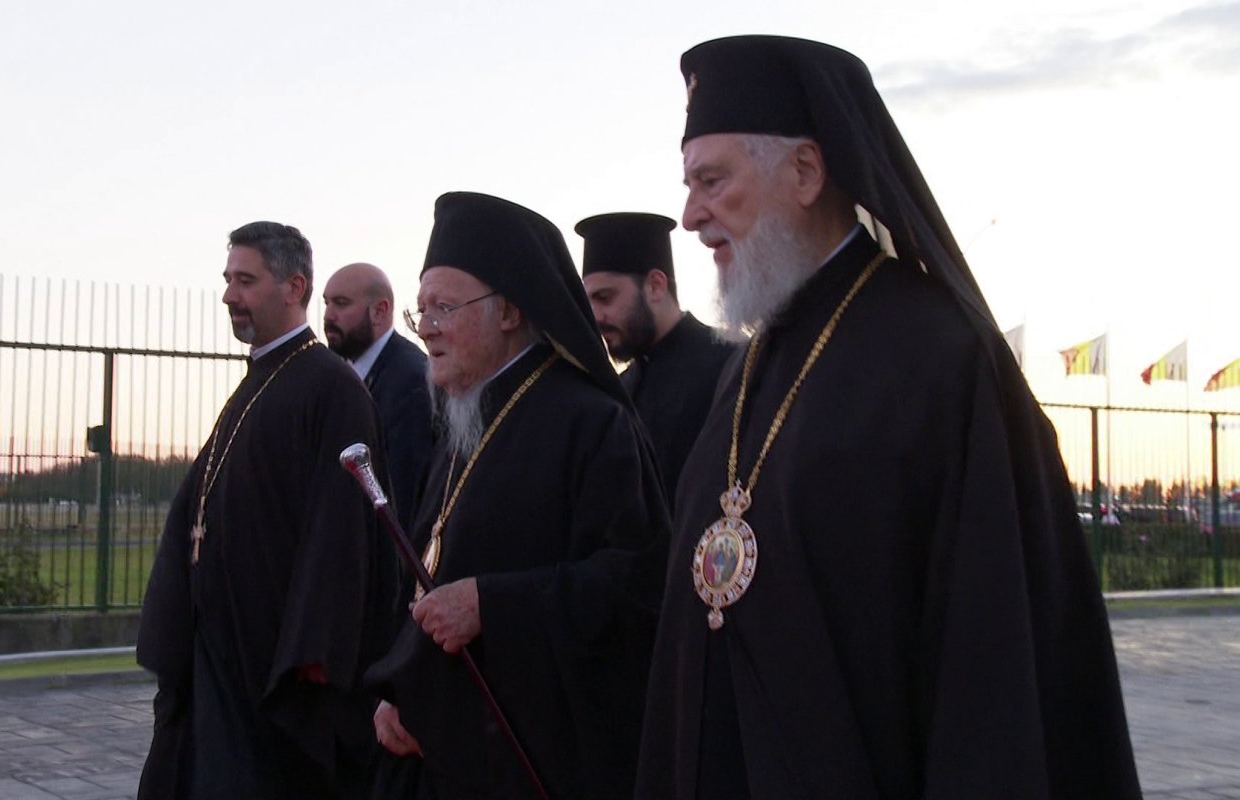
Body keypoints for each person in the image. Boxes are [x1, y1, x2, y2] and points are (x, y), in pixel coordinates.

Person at [636, 36, 1141, 799]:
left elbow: (989, 664)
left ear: (806, 171)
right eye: (688, 184)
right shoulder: (745, 367)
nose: (690, 215)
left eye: (711, 181)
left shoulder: (941, 358)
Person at [366, 191, 670, 799]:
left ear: (509, 311)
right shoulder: (461, 421)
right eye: (420, 309)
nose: (425, 327)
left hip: (529, 765)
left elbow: (639, 583)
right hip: (434, 758)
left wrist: (493, 605)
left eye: (444, 307)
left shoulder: (590, 423)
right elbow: (428, 568)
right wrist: (395, 689)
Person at [136, 221, 395, 799]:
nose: (230, 295)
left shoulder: (332, 389)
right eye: (228, 279)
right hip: (220, 655)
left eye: (246, 280)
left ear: (294, 286)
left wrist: (312, 657)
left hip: (277, 673)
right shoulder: (258, 383)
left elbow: (342, 535)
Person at [576, 211, 736, 503]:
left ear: (655, 286)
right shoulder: (617, 391)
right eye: (589, 303)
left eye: (605, 297)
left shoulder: (730, 364)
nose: (596, 317)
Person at [324, 262, 435, 530]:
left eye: (341, 303)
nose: (328, 315)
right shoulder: (346, 374)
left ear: (380, 311)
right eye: (326, 303)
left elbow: (401, 499)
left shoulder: (410, 380)